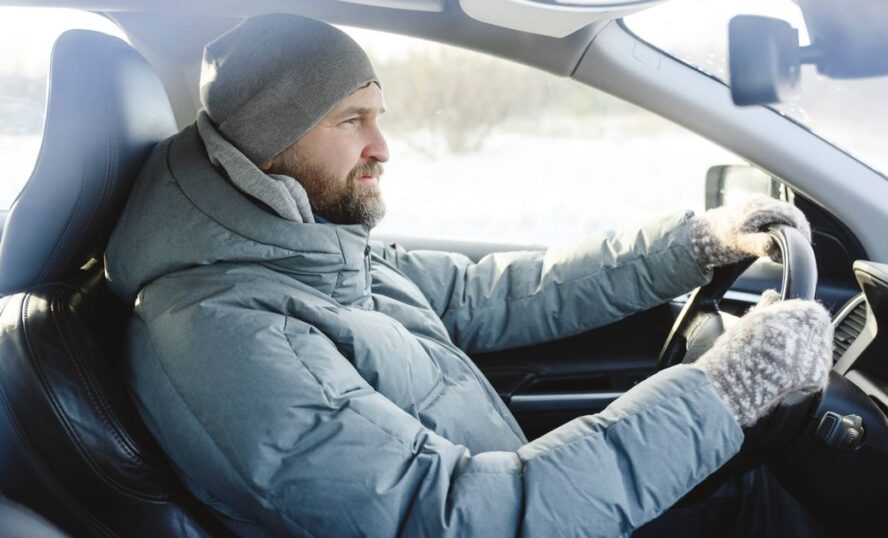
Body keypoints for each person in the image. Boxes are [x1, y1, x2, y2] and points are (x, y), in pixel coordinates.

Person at [104, 13, 833, 537]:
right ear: (268, 144)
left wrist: (695, 242)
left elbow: (507, 292)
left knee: (747, 496)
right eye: (349, 120)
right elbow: (450, 515)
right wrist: (719, 392)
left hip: (523, 500)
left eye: (378, 115)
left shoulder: (310, 252)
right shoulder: (225, 335)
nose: (382, 146)